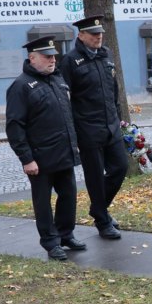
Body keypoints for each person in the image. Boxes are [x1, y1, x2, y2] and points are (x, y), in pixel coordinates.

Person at [5, 36, 85, 261]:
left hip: (64, 152)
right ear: (32, 58)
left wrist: (74, 144)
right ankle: (50, 242)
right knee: (43, 202)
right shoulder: (21, 86)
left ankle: (65, 234)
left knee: (68, 195)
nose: (52, 60)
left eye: (53, 56)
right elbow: (15, 126)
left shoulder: (57, 79)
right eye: (47, 56)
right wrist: (26, 158)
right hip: (40, 158)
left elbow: (67, 116)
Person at [59, 15, 127, 240]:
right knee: (95, 177)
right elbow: (65, 100)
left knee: (120, 168)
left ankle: (99, 209)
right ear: (81, 35)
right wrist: (73, 133)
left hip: (111, 126)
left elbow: (114, 91)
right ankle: (102, 221)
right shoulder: (70, 61)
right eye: (94, 34)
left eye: (100, 33)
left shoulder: (106, 55)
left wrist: (118, 120)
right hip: (87, 129)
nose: (99, 37)